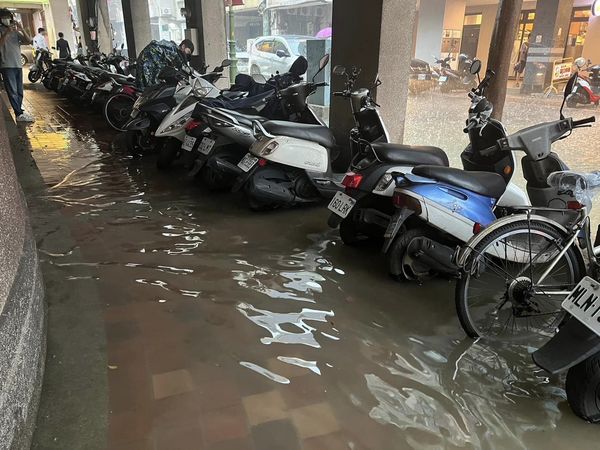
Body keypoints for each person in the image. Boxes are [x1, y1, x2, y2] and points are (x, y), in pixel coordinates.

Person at [0, 9, 34, 122]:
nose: (7, 19)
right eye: (4, 17)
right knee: (12, 90)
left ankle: (19, 112)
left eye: (9, 17)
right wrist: (6, 33)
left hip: (17, 64)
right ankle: (18, 113)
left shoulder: (15, 31)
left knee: (19, 90)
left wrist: (21, 28)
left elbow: (29, 40)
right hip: (6, 64)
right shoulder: (1, 30)